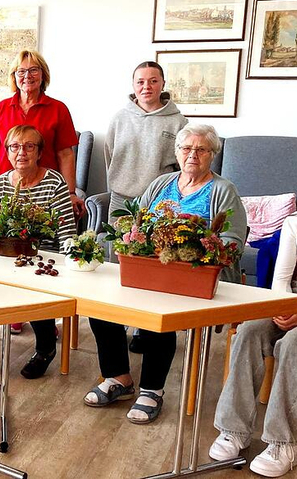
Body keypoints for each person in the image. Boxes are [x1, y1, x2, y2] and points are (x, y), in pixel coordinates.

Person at [85, 124, 247, 424]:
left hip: (193, 276)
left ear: (213, 154)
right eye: (186, 149)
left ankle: (152, 389)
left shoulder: (224, 191)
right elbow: (136, 223)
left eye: (201, 150)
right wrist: (134, 240)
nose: (193, 155)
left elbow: (233, 241)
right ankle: (118, 377)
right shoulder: (161, 184)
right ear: (177, 153)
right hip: (146, 271)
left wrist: (198, 251)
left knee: (160, 316)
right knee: (100, 308)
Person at [209, 150, 297, 477]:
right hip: (294, 294)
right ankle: (234, 430)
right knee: (248, 330)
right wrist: (288, 306)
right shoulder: (296, 222)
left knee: (294, 344)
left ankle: (283, 444)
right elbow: (281, 279)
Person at [0, 125, 77, 385]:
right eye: (15, 147)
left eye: (30, 146)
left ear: (39, 152)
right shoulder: (0, 183)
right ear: (7, 152)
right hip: (6, 256)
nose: (22, 152)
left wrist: (70, 268)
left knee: (34, 291)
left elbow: (66, 231)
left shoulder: (54, 182)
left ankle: (45, 348)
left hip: (44, 257)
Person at [105, 61, 188, 352]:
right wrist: (119, 183)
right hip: (122, 198)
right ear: (133, 86)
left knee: (152, 263)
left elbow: (183, 167)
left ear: (163, 84)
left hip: (158, 202)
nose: (146, 87)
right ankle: (117, 320)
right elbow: (110, 155)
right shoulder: (119, 118)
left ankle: (146, 327)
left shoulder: (178, 122)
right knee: (118, 261)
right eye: (140, 82)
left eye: (153, 81)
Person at [0, 49, 84, 218]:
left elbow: (65, 154)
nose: (27, 76)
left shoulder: (58, 109)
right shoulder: (1, 109)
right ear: (14, 76)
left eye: (34, 70)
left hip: (44, 192)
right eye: (21, 71)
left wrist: (69, 193)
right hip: (7, 190)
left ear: (43, 74)